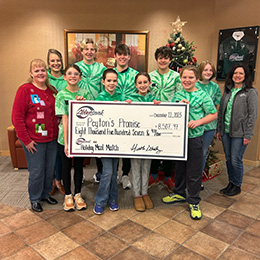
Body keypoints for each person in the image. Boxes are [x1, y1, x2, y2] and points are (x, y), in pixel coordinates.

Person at [162, 65, 217, 220]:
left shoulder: (203, 95)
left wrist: (199, 122)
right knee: (179, 166)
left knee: (193, 170)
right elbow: (170, 112)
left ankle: (193, 200)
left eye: (191, 77)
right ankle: (179, 193)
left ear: (197, 79)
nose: (187, 80)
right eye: (184, 77)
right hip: (179, 138)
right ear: (180, 78)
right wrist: (178, 104)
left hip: (195, 138)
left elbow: (213, 114)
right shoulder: (177, 94)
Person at [12, 59, 59, 212]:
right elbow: (17, 117)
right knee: (37, 171)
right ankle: (35, 198)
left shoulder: (52, 91)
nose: (40, 73)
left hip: (52, 139)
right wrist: (26, 140)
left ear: (47, 72)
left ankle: (45, 194)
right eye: (37, 70)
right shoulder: (25, 90)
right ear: (31, 73)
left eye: (43, 70)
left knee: (49, 169)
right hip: (34, 140)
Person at [217, 63, 258, 196]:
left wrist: (248, 134)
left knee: (236, 159)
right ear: (232, 75)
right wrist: (219, 129)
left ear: (245, 76)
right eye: (235, 73)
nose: (237, 75)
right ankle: (231, 183)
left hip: (240, 133)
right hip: (226, 132)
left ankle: (237, 185)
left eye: (241, 73)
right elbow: (221, 112)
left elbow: (253, 115)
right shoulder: (228, 91)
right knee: (228, 159)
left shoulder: (250, 92)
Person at [55, 64, 92, 211]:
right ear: (64, 77)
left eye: (76, 73)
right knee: (65, 167)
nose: (73, 76)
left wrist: (83, 104)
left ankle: (78, 193)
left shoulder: (86, 93)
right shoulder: (61, 95)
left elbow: (90, 115)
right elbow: (64, 118)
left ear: (80, 77)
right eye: (69, 73)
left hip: (80, 138)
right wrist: (67, 144)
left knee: (78, 167)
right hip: (64, 138)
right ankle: (68, 195)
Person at [149, 46, 183, 192]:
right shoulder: (150, 76)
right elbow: (145, 93)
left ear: (170, 59)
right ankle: (153, 175)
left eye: (166, 58)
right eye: (160, 58)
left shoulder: (176, 76)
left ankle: (168, 177)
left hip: (170, 117)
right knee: (154, 146)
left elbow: (179, 94)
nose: (163, 60)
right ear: (156, 59)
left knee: (169, 148)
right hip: (152, 117)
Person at [126, 72, 160, 212]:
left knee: (147, 165)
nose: (143, 85)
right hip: (135, 140)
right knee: (135, 166)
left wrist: (159, 107)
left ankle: (145, 192)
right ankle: (136, 194)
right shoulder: (130, 98)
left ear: (149, 83)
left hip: (149, 139)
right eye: (139, 83)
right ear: (135, 85)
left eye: (145, 82)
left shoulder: (154, 98)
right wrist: (125, 106)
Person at [76, 38, 106, 182]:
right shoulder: (75, 68)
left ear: (95, 51)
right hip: (79, 112)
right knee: (81, 143)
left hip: (97, 112)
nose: (89, 52)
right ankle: (79, 174)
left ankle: (100, 172)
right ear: (81, 51)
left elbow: (104, 90)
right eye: (86, 49)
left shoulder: (101, 69)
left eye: (92, 49)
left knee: (98, 144)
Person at [93, 69, 122, 215]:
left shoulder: (121, 97)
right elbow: (96, 124)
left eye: (114, 81)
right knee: (107, 172)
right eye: (109, 80)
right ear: (103, 82)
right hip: (104, 142)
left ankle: (113, 198)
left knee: (113, 172)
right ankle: (100, 200)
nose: (112, 83)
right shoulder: (99, 99)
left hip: (117, 142)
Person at [114, 43, 139, 190]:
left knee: (128, 146)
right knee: (115, 145)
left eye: (125, 54)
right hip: (114, 115)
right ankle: (114, 174)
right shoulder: (109, 73)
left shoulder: (135, 74)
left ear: (129, 57)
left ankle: (125, 175)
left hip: (131, 115)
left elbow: (141, 91)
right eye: (119, 54)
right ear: (115, 56)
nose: (122, 57)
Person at [196, 61, 221, 189]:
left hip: (209, 127)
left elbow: (216, 107)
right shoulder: (194, 85)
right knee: (192, 153)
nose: (208, 72)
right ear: (200, 71)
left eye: (210, 70)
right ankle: (189, 177)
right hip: (194, 126)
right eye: (205, 70)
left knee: (203, 153)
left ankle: (198, 180)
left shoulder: (215, 87)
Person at [47, 49, 67, 195]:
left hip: (63, 122)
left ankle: (59, 180)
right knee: (49, 154)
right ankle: (51, 181)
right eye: (52, 60)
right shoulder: (44, 78)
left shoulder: (67, 77)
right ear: (48, 63)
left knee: (60, 154)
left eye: (58, 60)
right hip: (48, 120)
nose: (56, 63)